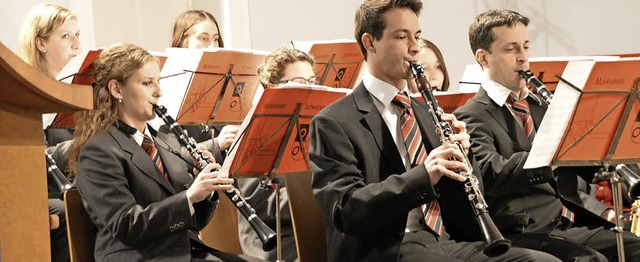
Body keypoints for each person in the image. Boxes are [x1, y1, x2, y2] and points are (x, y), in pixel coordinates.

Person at [308, 1, 558, 261]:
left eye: (416, 36)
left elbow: (468, 198)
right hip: (386, 248)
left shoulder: (426, 112)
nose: (415, 47)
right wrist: (424, 174)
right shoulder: (333, 122)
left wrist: (465, 156)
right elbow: (346, 209)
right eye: (402, 37)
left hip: (445, 241)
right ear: (370, 43)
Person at [454, 9, 640, 261]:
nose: (523, 58)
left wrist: (601, 153)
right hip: (521, 230)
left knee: (634, 247)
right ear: (483, 58)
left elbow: (582, 167)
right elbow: (489, 173)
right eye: (511, 50)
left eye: (526, 47)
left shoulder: (543, 105)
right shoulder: (471, 114)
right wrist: (549, 152)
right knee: (590, 260)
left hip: (565, 222)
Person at [67, 43, 261, 262]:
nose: (159, 92)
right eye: (147, 83)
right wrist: (189, 196)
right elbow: (126, 225)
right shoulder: (99, 151)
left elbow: (195, 222)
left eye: (158, 82)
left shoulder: (165, 142)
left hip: (182, 252)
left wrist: (206, 190)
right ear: (116, 89)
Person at [236, 46, 316, 261]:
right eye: (300, 82)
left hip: (311, 227)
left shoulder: (315, 126)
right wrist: (320, 193)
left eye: (313, 82)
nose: (311, 89)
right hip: (275, 240)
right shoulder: (255, 133)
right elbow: (261, 204)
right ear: (272, 87)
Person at [17, 3, 81, 261]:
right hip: (35, 188)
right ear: (41, 43)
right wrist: (81, 145)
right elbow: (32, 158)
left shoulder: (75, 88)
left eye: (77, 35)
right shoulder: (23, 90)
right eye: (66, 36)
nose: (75, 45)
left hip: (69, 183)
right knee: (71, 209)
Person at [168, 9, 238, 162]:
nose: (213, 46)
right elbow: (170, 157)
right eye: (204, 38)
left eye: (216, 39)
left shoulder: (230, 84)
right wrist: (217, 144)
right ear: (183, 42)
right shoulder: (168, 88)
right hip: (195, 181)